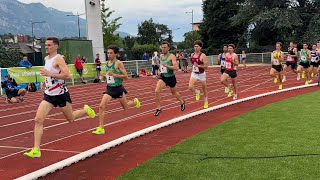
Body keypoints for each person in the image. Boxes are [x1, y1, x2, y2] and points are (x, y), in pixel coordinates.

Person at [23, 37, 96, 158]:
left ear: (56, 46)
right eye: (46, 45)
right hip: (49, 95)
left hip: (61, 95)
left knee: (71, 118)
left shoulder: (59, 59)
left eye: (49, 45)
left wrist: (49, 74)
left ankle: (86, 110)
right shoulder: (47, 58)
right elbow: (51, 76)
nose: (46, 47)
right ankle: (36, 149)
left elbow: (67, 75)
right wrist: (46, 81)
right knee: (38, 119)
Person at [92, 45, 141, 135]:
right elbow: (108, 76)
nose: (109, 55)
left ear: (116, 54)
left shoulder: (118, 63)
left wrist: (114, 74)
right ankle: (101, 128)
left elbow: (126, 77)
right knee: (101, 106)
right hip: (110, 88)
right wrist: (104, 77)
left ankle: (135, 102)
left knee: (125, 106)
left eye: (111, 53)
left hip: (118, 88)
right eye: (108, 53)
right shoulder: (107, 63)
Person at [154, 41, 185, 116]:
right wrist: (158, 71)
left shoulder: (171, 56)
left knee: (173, 93)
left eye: (165, 47)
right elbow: (161, 66)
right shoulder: (161, 56)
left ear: (168, 48)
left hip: (171, 77)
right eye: (162, 47)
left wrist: (167, 66)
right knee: (157, 91)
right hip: (163, 77)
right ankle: (159, 108)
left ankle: (182, 102)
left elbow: (176, 68)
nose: (163, 49)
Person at [188, 40, 209, 109]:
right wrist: (190, 67)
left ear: (200, 47)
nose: (196, 48)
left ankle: (206, 102)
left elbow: (206, 66)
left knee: (204, 88)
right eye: (195, 46)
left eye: (197, 46)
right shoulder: (192, 55)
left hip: (201, 74)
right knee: (190, 86)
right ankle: (197, 92)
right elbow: (192, 63)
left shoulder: (203, 56)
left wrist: (199, 66)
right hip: (194, 73)